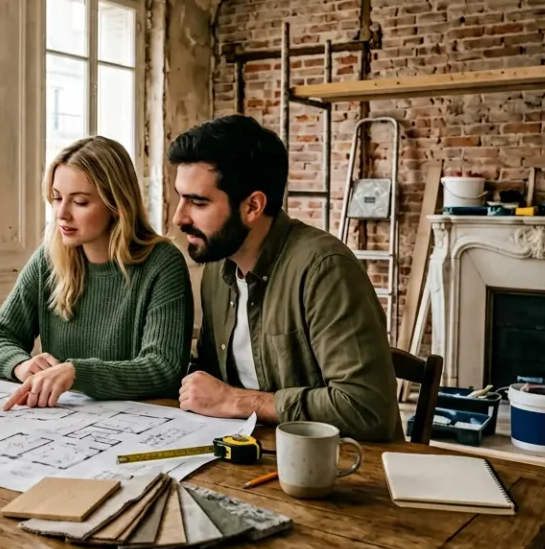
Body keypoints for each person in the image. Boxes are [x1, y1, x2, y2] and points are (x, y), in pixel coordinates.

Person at [168, 115, 401, 442]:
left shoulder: (325, 269)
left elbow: (367, 409)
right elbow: (211, 379)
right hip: (252, 450)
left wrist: (236, 401)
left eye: (197, 202)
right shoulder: (217, 268)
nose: (179, 217)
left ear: (252, 206)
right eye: (180, 197)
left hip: (339, 462)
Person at [0, 136, 194, 409]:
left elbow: (163, 368)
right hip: (62, 418)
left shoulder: (162, 263)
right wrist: (21, 365)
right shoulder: (48, 258)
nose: (62, 214)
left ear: (116, 204)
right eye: (57, 198)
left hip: (138, 420)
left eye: (80, 202)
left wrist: (76, 373)